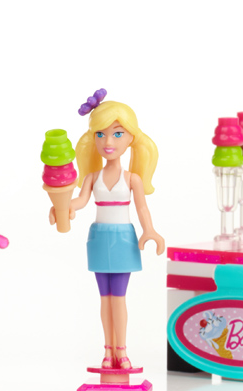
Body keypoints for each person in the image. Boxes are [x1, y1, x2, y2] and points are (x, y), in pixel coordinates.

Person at [50, 90, 164, 369]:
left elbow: (142, 209)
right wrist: (63, 207)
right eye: (100, 135)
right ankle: (107, 350)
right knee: (104, 298)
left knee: (119, 298)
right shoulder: (92, 177)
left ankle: (121, 351)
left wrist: (149, 230)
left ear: (131, 138)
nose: (108, 142)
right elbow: (80, 201)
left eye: (117, 134)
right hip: (99, 239)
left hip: (124, 239)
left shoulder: (132, 178)